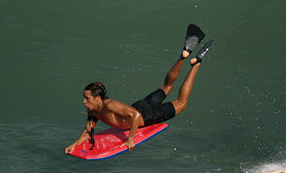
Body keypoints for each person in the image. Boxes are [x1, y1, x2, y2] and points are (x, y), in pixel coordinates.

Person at [64, 24, 213, 154]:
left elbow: (135, 115)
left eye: (87, 98)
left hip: (147, 115)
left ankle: (196, 63)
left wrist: (130, 140)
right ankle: (183, 55)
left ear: (97, 98)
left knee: (182, 103)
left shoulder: (110, 105)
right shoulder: (93, 110)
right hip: (142, 105)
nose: (84, 101)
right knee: (166, 86)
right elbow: (88, 131)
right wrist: (74, 145)